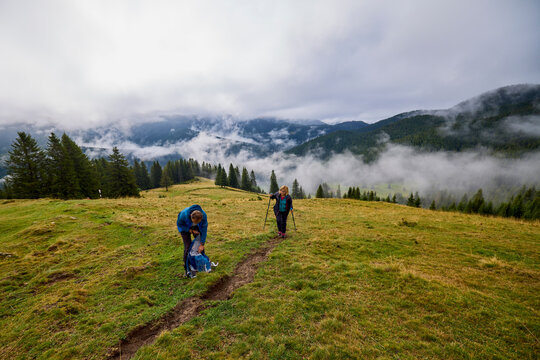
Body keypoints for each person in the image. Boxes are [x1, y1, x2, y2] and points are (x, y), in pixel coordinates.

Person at [176, 204, 208, 278]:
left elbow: (204, 230)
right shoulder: (183, 215)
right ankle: (187, 268)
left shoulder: (204, 217)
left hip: (196, 228)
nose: (196, 223)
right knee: (188, 247)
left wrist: (202, 244)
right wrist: (190, 230)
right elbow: (180, 225)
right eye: (194, 222)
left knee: (199, 245)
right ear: (190, 216)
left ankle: (201, 264)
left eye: (198, 222)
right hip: (184, 228)